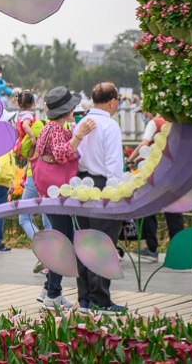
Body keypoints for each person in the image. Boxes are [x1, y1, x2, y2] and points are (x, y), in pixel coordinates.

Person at [32, 87, 96, 309]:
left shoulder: (48, 128)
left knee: (62, 239)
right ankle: (53, 294)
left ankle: (49, 289)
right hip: (57, 193)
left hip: (50, 191)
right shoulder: (58, 130)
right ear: (66, 110)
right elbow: (61, 154)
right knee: (63, 241)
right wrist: (79, 135)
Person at [75, 82, 127, 313]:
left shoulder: (83, 123)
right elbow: (114, 164)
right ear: (113, 101)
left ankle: (84, 298)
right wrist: (116, 195)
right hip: (103, 186)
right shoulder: (110, 125)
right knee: (104, 244)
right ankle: (101, 299)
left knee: (85, 243)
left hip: (80, 186)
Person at [127, 112, 184, 260]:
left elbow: (145, 144)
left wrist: (131, 159)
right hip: (172, 172)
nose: (144, 115)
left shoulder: (154, 123)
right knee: (173, 212)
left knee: (148, 209)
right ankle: (178, 250)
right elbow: (157, 150)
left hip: (154, 174)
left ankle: (152, 248)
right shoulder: (173, 123)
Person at [13, 91, 50, 271]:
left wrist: (30, 140)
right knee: (47, 216)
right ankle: (52, 260)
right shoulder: (60, 125)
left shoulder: (28, 122)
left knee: (24, 217)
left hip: (34, 175)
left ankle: (44, 254)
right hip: (52, 177)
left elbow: (24, 150)